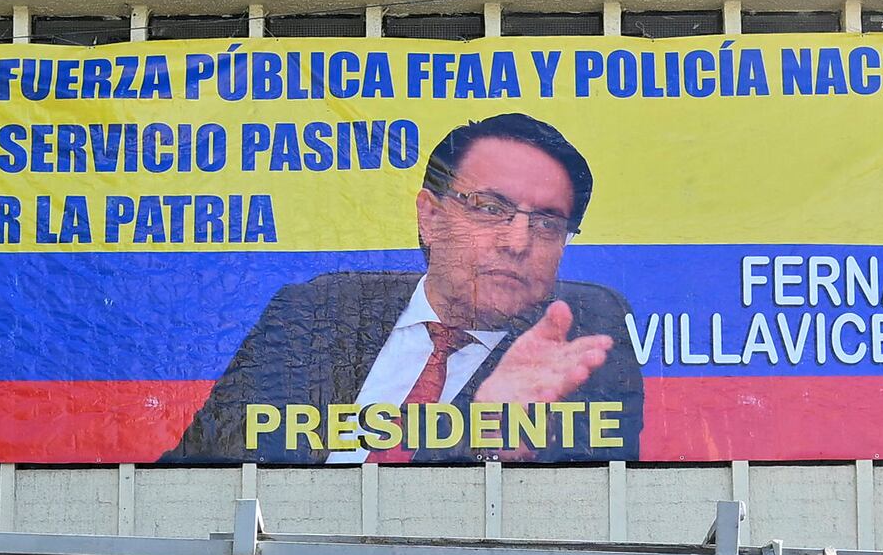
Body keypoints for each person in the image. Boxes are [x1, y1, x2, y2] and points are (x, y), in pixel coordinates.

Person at [162, 111, 648, 464]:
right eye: (489, 208)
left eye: (546, 223)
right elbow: (192, 472)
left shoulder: (584, 339)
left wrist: (489, 435)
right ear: (430, 217)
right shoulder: (313, 312)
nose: (516, 242)